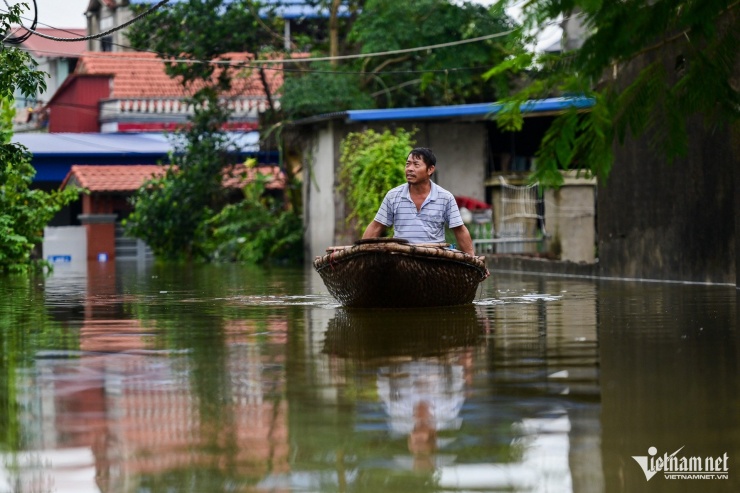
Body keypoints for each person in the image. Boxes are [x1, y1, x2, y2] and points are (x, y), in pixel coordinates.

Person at [362, 147, 476, 256]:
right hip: (401, 259)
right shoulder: (393, 196)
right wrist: (359, 255)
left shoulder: (445, 197)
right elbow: (376, 226)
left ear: (430, 169)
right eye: (408, 164)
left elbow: (460, 230)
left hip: (434, 260)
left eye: (416, 164)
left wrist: (473, 261)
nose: (410, 168)